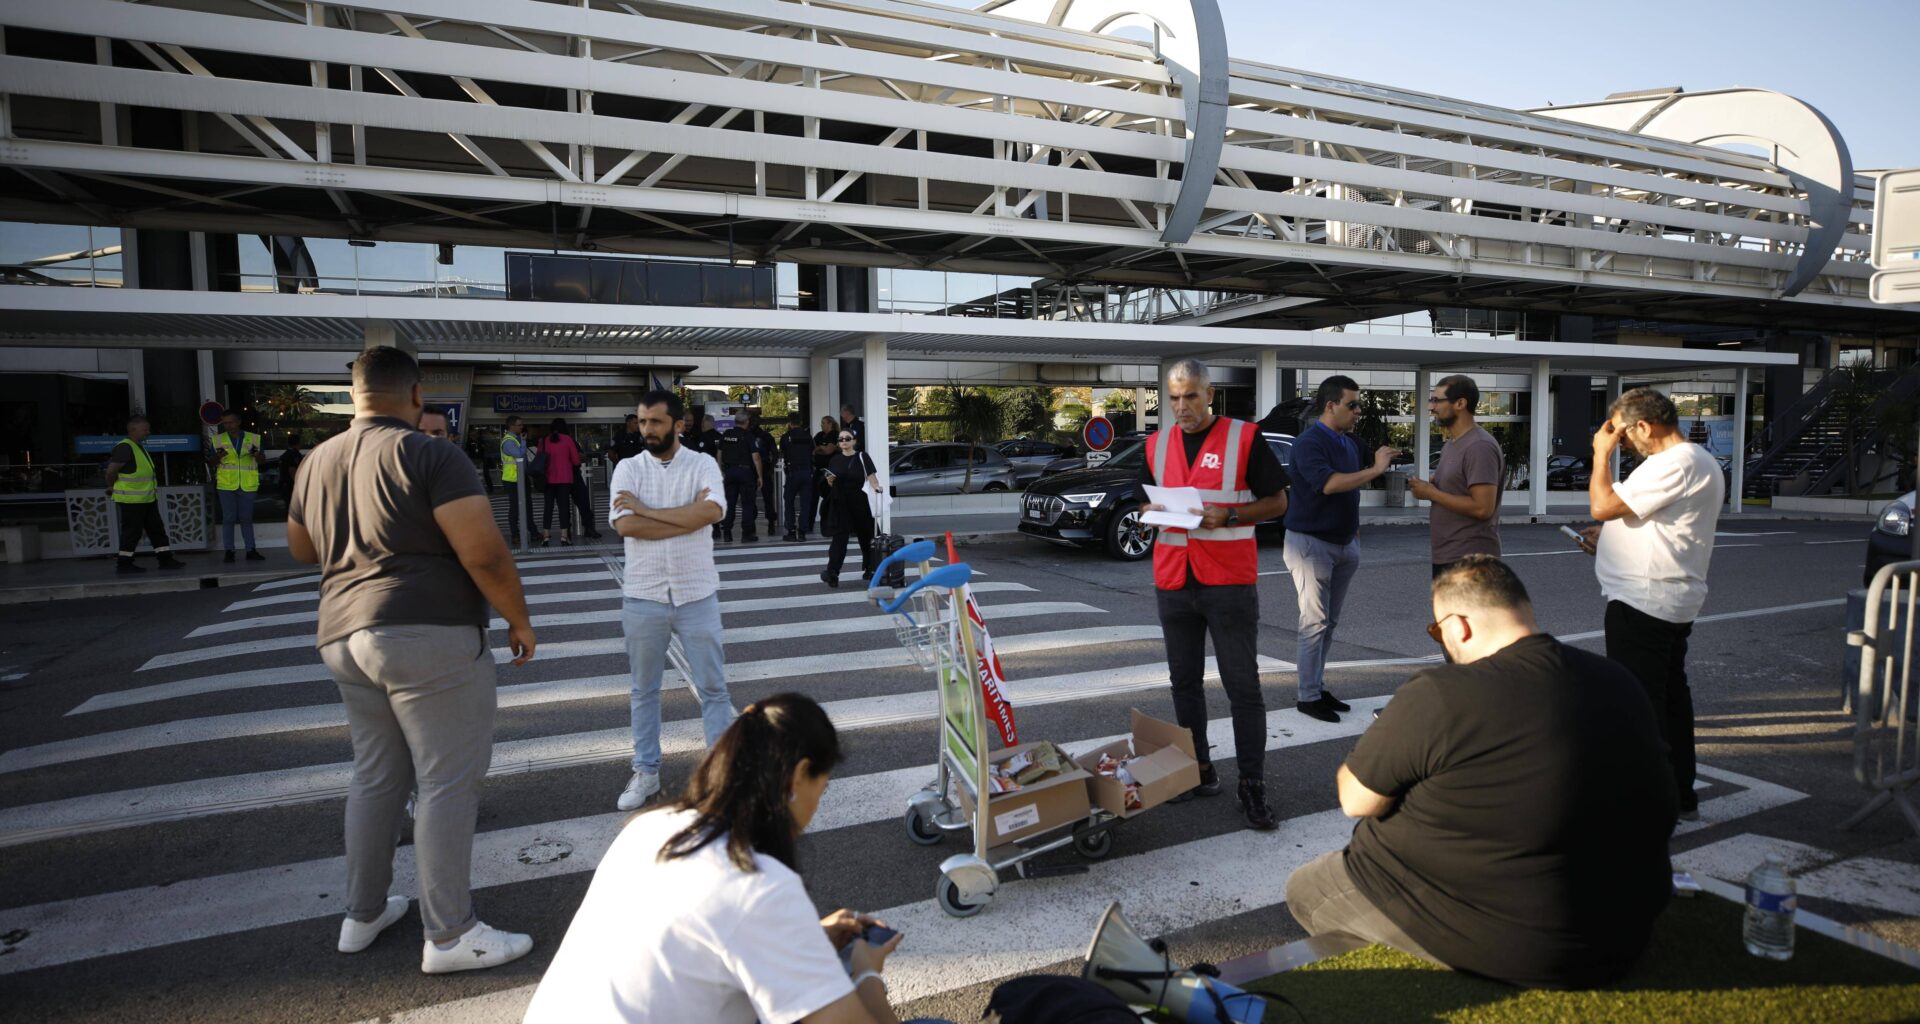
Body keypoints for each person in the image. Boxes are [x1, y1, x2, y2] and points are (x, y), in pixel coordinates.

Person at [1287, 556, 1676, 989]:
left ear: (1459, 626)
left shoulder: (1443, 693)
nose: (1441, 641)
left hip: (1520, 947)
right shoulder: (1616, 679)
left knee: (1307, 886)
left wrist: (1389, 737)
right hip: (1627, 932)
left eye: (1437, 630)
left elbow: (1357, 800)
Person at [284, 345, 538, 974]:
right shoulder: (429, 453)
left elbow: (300, 546)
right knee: (447, 782)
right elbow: (484, 553)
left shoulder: (317, 459)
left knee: (376, 777)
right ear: (417, 394)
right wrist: (518, 619)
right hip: (427, 632)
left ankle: (362, 913)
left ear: (353, 394)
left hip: (342, 636)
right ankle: (450, 935)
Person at [524, 694, 936, 1024]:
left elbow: (703, 940)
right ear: (798, 776)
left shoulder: (652, 826)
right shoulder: (759, 885)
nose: (815, 808)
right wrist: (865, 972)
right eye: (821, 789)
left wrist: (807, 939)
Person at [1138, 358, 1290, 831]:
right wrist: (1151, 509)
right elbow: (1145, 502)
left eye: (1190, 396)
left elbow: (1278, 502)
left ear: (1209, 394)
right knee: (1183, 683)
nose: (1181, 406)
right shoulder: (1155, 444)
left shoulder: (1244, 437)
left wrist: (1230, 517)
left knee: (1242, 688)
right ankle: (1199, 769)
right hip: (1174, 581)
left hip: (1228, 582)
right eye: (1174, 398)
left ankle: (1252, 784)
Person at [1583, 386, 1724, 821]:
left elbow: (1602, 505)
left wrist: (1600, 454)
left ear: (1643, 425)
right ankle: (1680, 794)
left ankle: (1649, 806)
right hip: (1665, 597)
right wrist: (1609, 541)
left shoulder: (1673, 462)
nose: (1621, 443)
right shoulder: (1695, 461)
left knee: (1640, 707)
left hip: (1645, 601)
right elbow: (1651, 521)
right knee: (1668, 704)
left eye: (1622, 436)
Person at [607, 391, 734, 811]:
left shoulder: (702, 464)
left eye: (656, 422)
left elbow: (712, 513)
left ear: (678, 424)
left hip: (697, 591)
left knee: (714, 688)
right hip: (643, 594)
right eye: (642, 422)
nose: (647, 430)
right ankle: (646, 772)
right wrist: (680, 517)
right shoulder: (627, 468)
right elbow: (626, 525)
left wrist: (649, 511)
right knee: (644, 689)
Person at [1282, 376, 1402, 724]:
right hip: (1310, 543)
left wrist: (1355, 533)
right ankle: (1307, 696)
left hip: (1344, 543)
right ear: (1330, 405)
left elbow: (1352, 491)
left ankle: (1316, 686)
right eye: (1352, 404)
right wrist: (1376, 468)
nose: (1358, 411)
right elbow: (1330, 484)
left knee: (1328, 622)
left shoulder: (1349, 443)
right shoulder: (1308, 443)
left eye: (1359, 404)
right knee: (1314, 622)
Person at [1407, 374, 1502, 576]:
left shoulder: (1479, 446)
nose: (1430, 407)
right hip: (1449, 556)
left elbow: (1483, 508)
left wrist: (1432, 493)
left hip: (1471, 561)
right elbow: (1457, 489)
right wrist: (1431, 486)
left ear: (1460, 403)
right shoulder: (1452, 444)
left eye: (1436, 400)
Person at [104, 414, 186, 573]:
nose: (148, 432)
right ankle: (124, 563)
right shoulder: (125, 447)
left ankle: (165, 559)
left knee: (156, 530)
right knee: (132, 532)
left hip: (146, 499)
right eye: (145, 429)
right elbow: (111, 471)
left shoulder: (138, 446)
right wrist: (111, 486)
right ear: (133, 430)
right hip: (132, 500)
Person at [820, 429, 881, 588]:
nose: (844, 441)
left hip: (861, 503)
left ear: (854, 441)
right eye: (841, 439)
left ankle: (871, 569)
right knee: (839, 540)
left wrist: (877, 488)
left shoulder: (862, 457)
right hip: (841, 503)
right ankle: (832, 573)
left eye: (847, 438)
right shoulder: (835, 460)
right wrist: (830, 480)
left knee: (867, 537)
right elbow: (830, 483)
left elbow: (872, 477)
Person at [207, 410, 268, 563]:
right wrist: (217, 457)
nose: (228, 425)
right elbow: (210, 462)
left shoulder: (253, 438)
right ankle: (229, 551)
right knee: (229, 518)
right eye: (225, 423)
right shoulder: (218, 440)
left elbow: (262, 461)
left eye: (231, 422)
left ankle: (251, 550)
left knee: (246, 518)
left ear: (238, 422)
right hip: (226, 484)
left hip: (247, 484)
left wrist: (256, 454)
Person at [716, 416, 763, 543]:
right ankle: (746, 534)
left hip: (730, 472)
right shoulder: (748, 436)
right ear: (747, 422)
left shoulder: (726, 434)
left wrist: (721, 470)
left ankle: (727, 533)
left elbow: (719, 453)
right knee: (747, 504)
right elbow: (756, 457)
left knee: (729, 503)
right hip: (745, 472)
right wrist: (760, 476)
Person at [538, 419, 583, 546]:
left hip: (548, 479)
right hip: (564, 479)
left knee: (548, 507)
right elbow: (576, 460)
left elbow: (539, 459)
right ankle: (564, 536)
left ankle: (546, 536)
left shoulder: (544, 441)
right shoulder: (568, 439)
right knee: (564, 507)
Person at [781, 412, 818, 542]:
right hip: (807, 472)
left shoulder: (786, 437)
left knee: (789, 501)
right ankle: (802, 532)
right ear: (800, 422)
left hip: (793, 473)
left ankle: (791, 531)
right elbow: (813, 452)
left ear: (790, 423)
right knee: (805, 503)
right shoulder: (808, 436)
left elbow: (783, 452)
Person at [499, 416, 536, 547]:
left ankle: (533, 531)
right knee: (515, 506)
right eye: (519, 425)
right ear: (511, 426)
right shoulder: (509, 441)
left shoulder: (515, 439)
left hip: (521, 477)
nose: (522, 427)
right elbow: (519, 455)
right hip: (512, 479)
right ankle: (515, 534)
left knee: (527, 505)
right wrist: (524, 442)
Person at [752, 413, 781, 538]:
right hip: (764, 468)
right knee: (768, 499)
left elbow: (775, 454)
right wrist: (770, 467)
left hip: (751, 469)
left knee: (750, 499)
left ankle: (752, 525)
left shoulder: (748, 436)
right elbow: (775, 454)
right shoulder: (766, 436)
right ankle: (771, 524)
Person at [813, 415, 839, 528]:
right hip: (818, 470)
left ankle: (831, 523)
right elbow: (813, 450)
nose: (821, 425)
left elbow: (829, 451)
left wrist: (821, 448)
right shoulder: (819, 435)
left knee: (830, 497)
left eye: (823, 423)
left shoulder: (834, 435)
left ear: (830, 424)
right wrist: (820, 448)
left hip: (829, 472)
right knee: (814, 496)